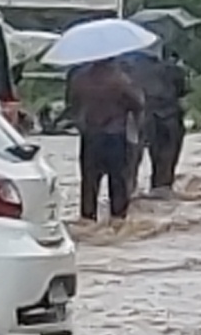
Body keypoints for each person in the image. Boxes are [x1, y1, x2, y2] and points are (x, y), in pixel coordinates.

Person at [66, 56, 145, 223]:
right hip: (115, 137)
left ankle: (87, 220)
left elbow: (72, 105)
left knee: (89, 183)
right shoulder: (120, 80)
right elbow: (138, 104)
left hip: (90, 137)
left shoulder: (79, 79)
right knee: (118, 184)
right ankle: (117, 222)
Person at [126, 47, 192, 199]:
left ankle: (129, 192)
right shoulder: (174, 69)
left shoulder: (127, 69)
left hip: (139, 117)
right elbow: (183, 90)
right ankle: (161, 191)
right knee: (165, 165)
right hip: (168, 117)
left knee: (131, 161)